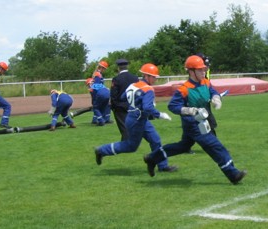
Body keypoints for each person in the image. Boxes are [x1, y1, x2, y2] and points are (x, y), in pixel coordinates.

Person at [143, 55, 247, 185]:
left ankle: (152, 158)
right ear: (191, 71)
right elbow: (173, 106)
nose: (204, 72)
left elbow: (213, 91)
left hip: (202, 121)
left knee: (183, 146)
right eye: (200, 70)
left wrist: (216, 98)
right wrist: (188, 110)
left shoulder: (205, 82)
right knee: (215, 146)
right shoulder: (184, 89)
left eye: (204, 69)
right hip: (193, 124)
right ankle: (233, 174)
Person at [94, 63, 176, 173]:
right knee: (130, 146)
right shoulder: (148, 89)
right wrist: (160, 114)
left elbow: (124, 97)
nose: (155, 79)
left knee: (155, 140)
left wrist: (137, 102)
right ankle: (102, 150)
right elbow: (148, 107)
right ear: (146, 76)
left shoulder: (133, 85)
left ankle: (162, 166)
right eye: (154, 77)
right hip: (137, 120)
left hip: (136, 118)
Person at [110, 58, 140, 141]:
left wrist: (113, 106)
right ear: (127, 67)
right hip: (132, 105)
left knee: (123, 126)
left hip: (120, 106)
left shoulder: (116, 79)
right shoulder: (135, 78)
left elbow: (113, 95)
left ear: (118, 68)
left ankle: (126, 143)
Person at [196, 53, 218, 136]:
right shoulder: (196, 78)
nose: (207, 67)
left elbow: (210, 88)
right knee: (208, 123)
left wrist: (215, 97)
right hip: (199, 105)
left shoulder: (204, 77)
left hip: (205, 103)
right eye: (205, 65)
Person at [90, 60, 111, 126]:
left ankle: (99, 120)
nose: (104, 70)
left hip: (99, 92)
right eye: (104, 69)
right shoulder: (98, 74)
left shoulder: (97, 74)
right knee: (97, 107)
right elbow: (96, 86)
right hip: (99, 93)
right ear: (102, 68)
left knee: (101, 106)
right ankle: (101, 120)